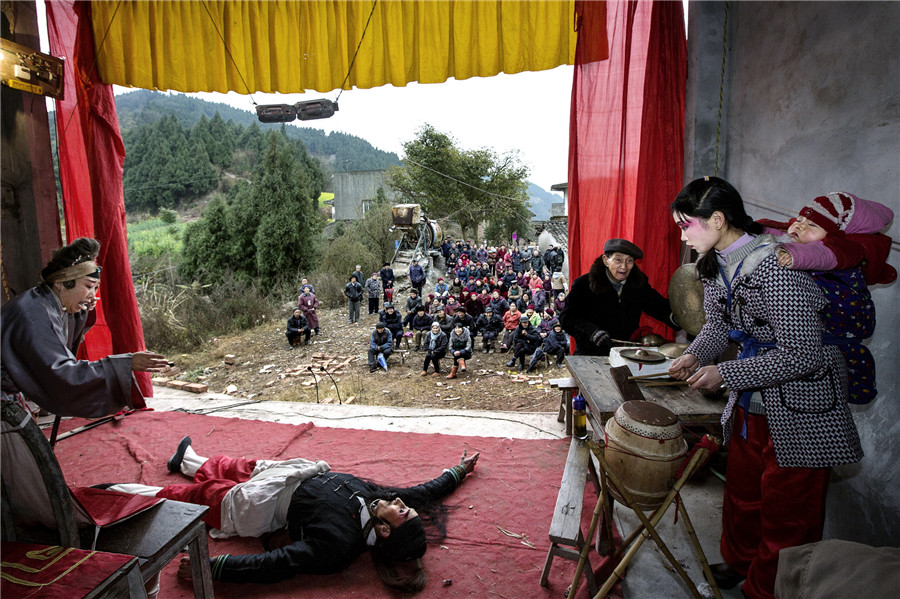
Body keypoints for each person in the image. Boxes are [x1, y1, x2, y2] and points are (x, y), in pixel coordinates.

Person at [667, 177, 863, 599]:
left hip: (803, 407)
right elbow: (720, 325)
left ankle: (768, 589)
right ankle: (741, 564)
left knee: (788, 514)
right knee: (742, 494)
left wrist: (727, 375)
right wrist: (697, 355)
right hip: (754, 403)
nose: (682, 234)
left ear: (718, 219)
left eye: (687, 225)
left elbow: (804, 354)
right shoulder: (718, 263)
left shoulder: (776, 267)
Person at [111, 438, 479, 592]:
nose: (401, 502)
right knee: (235, 465)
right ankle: (188, 460)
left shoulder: (339, 545)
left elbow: (280, 562)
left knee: (192, 497)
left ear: (384, 531)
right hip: (294, 473)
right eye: (404, 506)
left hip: (260, 506)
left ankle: (111, 500)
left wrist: (216, 568)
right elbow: (425, 492)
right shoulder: (378, 499)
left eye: (402, 513)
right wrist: (458, 472)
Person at [1, 237, 168, 418]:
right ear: (61, 282)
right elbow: (63, 375)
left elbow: (61, 345)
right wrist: (125, 363)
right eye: (88, 286)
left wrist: (81, 312)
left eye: (96, 288)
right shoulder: (34, 314)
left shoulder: (43, 301)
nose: (92, 295)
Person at [759, 192, 896, 404]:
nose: (801, 226)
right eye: (801, 219)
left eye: (812, 225)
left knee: (848, 367)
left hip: (843, 325)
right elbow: (777, 231)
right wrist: (748, 231)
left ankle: (860, 390)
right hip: (819, 328)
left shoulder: (844, 250)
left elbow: (821, 254)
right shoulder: (802, 238)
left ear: (835, 235)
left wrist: (793, 255)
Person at [559, 239, 678, 356]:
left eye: (629, 261)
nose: (624, 266)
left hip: (626, 354)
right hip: (591, 354)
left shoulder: (637, 284)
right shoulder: (584, 284)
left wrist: (678, 318)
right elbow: (566, 318)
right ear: (606, 260)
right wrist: (592, 332)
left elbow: (658, 306)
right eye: (618, 260)